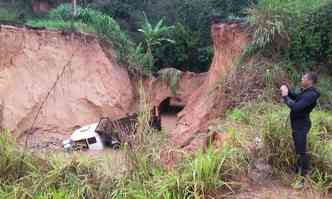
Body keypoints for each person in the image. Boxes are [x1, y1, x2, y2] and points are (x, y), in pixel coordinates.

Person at [280, 72, 320, 188]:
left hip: (302, 125)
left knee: (302, 152)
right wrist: (286, 88)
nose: (301, 79)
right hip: (297, 124)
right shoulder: (306, 92)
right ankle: (298, 174)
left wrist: (285, 96)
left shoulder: (312, 94)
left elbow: (296, 107)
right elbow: (296, 97)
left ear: (310, 81)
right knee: (299, 150)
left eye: (304, 78)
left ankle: (302, 180)